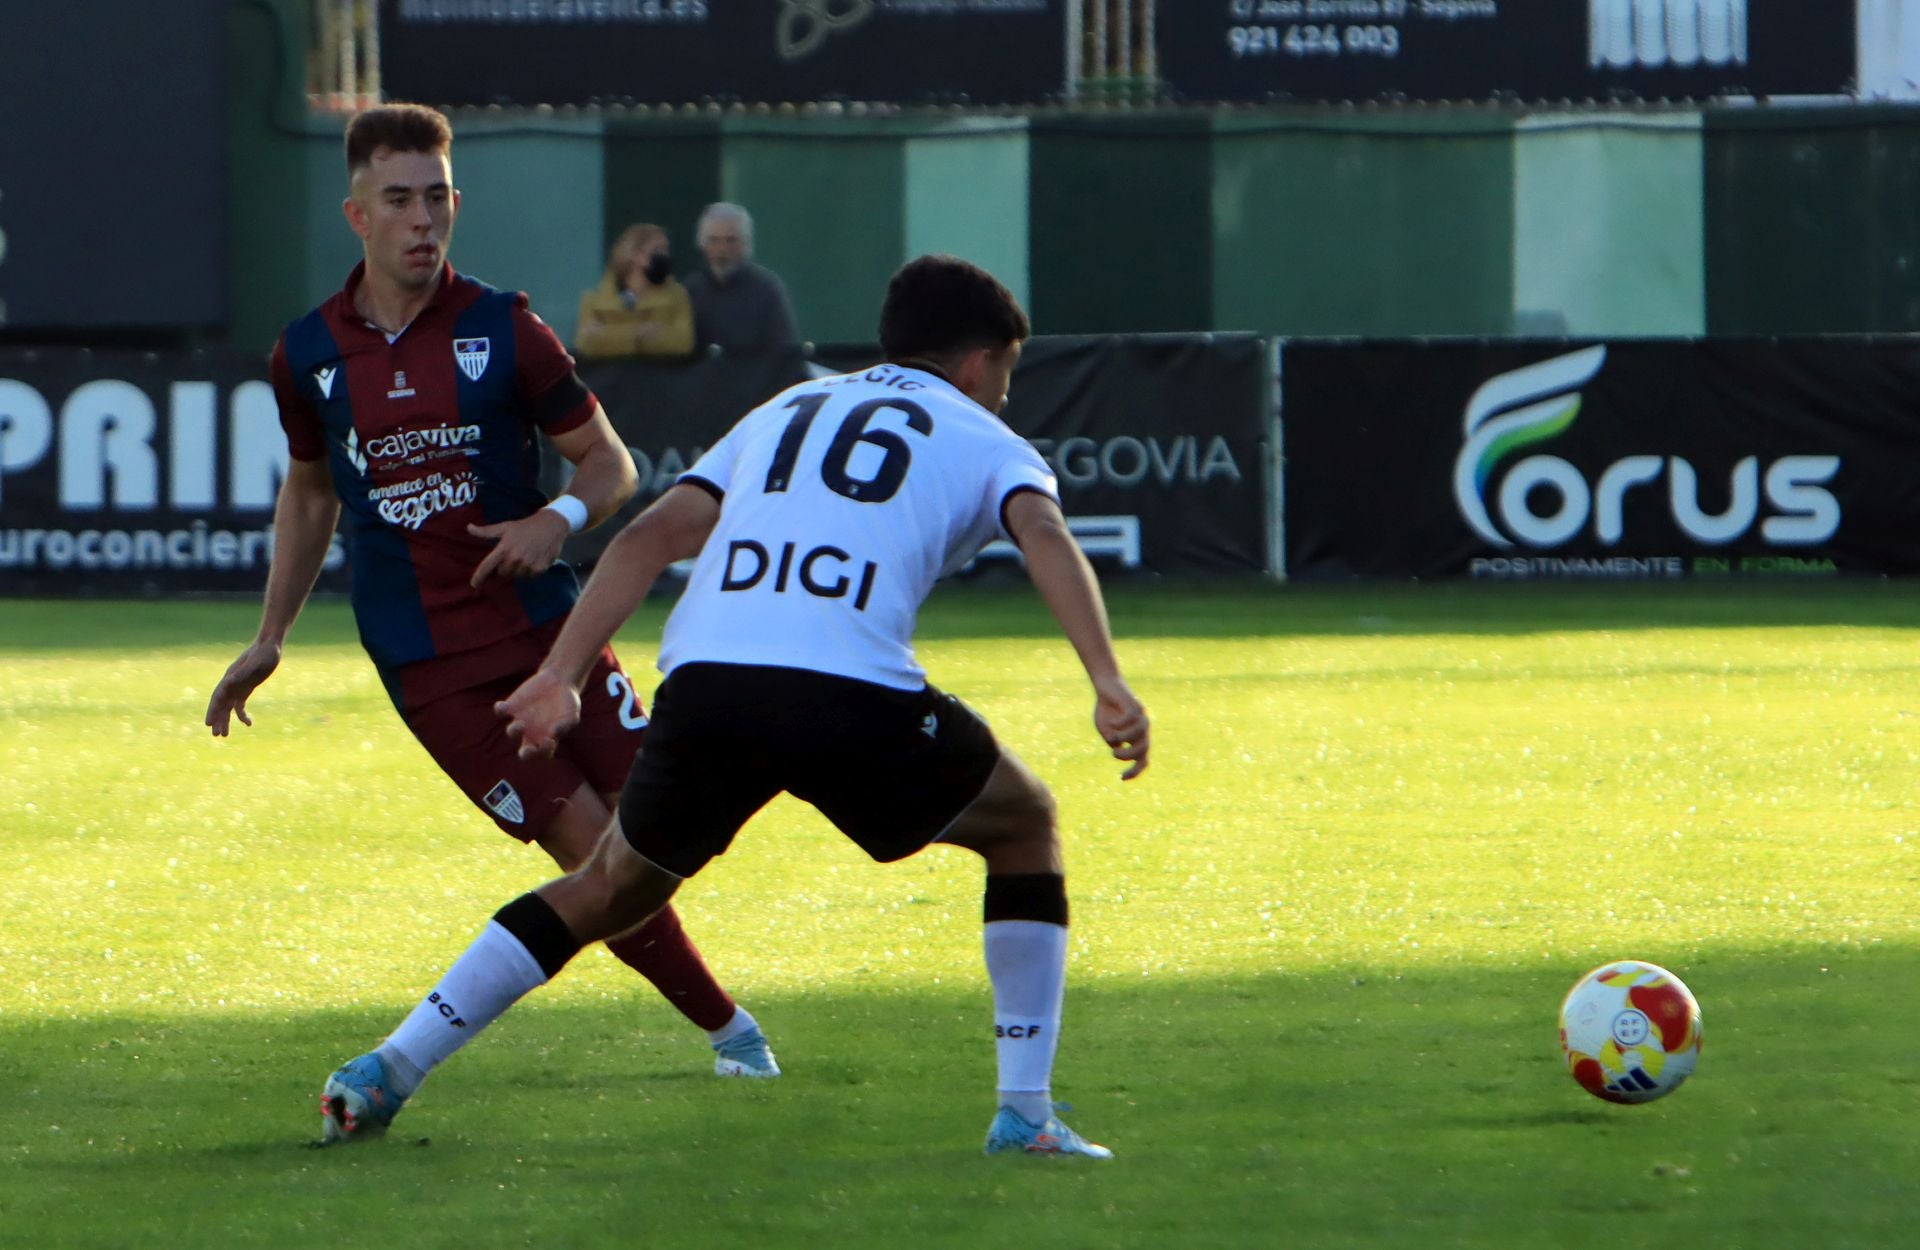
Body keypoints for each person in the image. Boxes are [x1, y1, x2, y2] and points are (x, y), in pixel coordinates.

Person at [316, 253, 1151, 1158]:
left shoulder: (783, 409)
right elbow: (1046, 534)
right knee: (1024, 824)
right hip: (846, 687)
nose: (1002, 396)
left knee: (610, 886)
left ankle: (387, 1069)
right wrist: (1105, 676)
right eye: (1007, 377)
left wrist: (560, 672)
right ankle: (1025, 1116)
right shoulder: (989, 438)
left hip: (709, 678)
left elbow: (645, 538)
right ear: (980, 363)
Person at [203, 105, 778, 1142]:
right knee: (596, 850)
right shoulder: (307, 355)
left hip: (551, 638)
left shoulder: (505, 327)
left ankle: (728, 1028)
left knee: (663, 834)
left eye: (437, 198)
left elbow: (610, 466)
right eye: (400, 200)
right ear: (357, 216)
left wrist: (554, 520)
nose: (423, 220)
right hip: (434, 670)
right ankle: (733, 1031)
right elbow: (309, 492)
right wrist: (270, 633)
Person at [682, 202, 801, 354]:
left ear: (746, 244)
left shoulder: (766, 289)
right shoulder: (691, 290)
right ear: (702, 243)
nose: (722, 250)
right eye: (714, 240)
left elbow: (784, 349)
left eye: (730, 240)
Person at [574, 223, 694, 358]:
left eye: (666, 250)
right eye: (658, 249)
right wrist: (637, 334)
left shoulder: (677, 296)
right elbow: (586, 343)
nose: (665, 255)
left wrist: (609, 334)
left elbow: (683, 342)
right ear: (635, 255)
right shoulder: (593, 301)